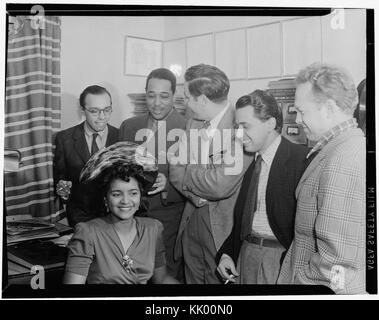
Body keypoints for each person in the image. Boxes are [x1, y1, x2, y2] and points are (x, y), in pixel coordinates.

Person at [277, 63, 366, 294]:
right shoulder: (341, 149)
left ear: (327, 108)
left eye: (301, 111)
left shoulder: (343, 159)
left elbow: (336, 265)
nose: (296, 120)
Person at [169, 64, 253, 284]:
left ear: (203, 100)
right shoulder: (192, 123)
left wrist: (190, 169)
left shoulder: (242, 126)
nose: (184, 103)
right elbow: (174, 169)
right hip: (192, 215)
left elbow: (220, 185)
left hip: (224, 228)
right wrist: (197, 195)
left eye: (187, 97)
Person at [215, 90, 309, 284]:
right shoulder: (254, 162)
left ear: (270, 124)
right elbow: (244, 221)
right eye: (237, 127)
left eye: (245, 126)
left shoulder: (302, 161)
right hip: (246, 257)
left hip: (281, 262)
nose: (239, 134)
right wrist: (227, 253)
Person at [63, 142, 179, 284]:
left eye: (133, 193)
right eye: (117, 194)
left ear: (140, 197)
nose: (126, 201)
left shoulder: (153, 229)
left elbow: (162, 279)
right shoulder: (87, 232)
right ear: (106, 199)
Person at [119, 68, 186, 281]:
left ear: (174, 96)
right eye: (151, 95)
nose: (157, 102)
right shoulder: (129, 126)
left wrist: (169, 184)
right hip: (129, 220)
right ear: (145, 93)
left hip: (168, 222)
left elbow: (198, 184)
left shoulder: (189, 129)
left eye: (164, 96)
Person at [53, 85, 119, 226]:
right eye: (94, 111)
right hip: (80, 219)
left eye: (107, 110)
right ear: (83, 110)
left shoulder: (121, 137)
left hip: (115, 217)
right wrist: (62, 190)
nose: (102, 117)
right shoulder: (64, 139)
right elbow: (60, 179)